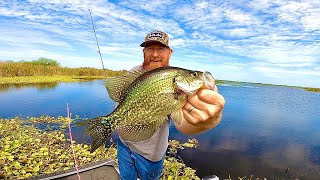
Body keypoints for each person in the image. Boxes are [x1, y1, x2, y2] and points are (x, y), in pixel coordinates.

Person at [117, 30, 225, 180]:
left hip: (150, 155)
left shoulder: (179, 87)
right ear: (144, 51)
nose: (155, 54)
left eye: (160, 49)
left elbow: (183, 124)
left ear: (170, 52)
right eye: (150, 48)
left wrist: (209, 120)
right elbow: (121, 104)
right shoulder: (134, 72)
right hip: (123, 144)